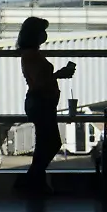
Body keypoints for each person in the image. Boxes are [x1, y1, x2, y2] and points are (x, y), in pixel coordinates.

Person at [15, 16, 75, 194]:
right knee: (51, 142)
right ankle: (31, 179)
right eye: (42, 31)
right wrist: (58, 75)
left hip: (41, 103)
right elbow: (40, 82)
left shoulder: (30, 54)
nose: (45, 35)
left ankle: (35, 182)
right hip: (41, 103)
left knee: (44, 143)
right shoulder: (32, 56)